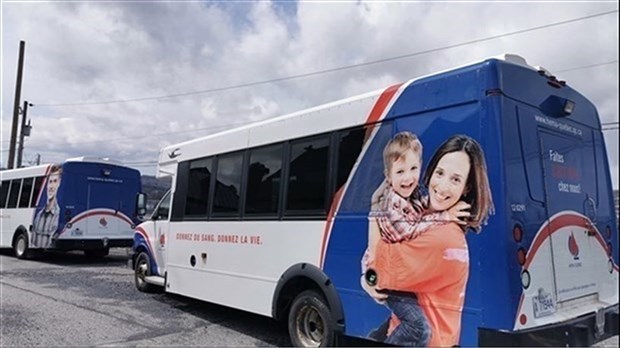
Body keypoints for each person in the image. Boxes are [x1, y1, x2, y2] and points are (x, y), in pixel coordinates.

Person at [362, 134, 494, 347]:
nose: (442, 186)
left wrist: (374, 213)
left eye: (456, 179)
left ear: (466, 189)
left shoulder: (444, 237)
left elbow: (378, 274)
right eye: (440, 173)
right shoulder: (425, 214)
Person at [32, 164, 62, 248]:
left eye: (55, 181)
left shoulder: (58, 215)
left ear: (59, 184)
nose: (51, 187)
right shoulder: (39, 215)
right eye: (50, 182)